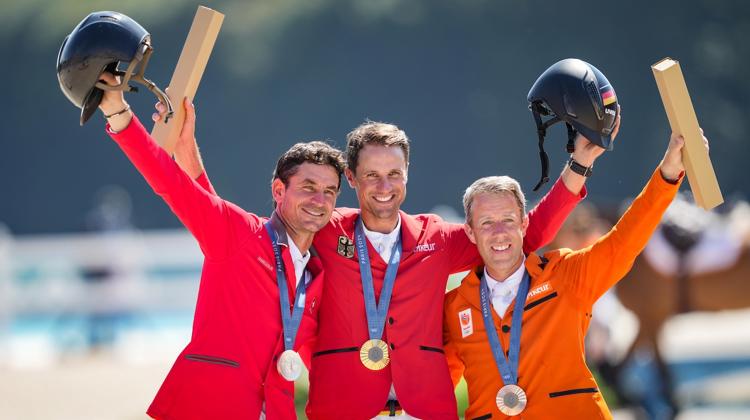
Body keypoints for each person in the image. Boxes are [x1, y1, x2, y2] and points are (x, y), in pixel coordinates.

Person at [165, 109, 605, 418]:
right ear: (351, 179)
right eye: (372, 175)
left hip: (425, 409)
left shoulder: (437, 237)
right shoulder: (322, 226)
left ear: (407, 176)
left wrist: (579, 165)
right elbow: (242, 232)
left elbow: (526, 236)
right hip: (343, 409)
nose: (384, 186)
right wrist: (187, 154)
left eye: (394, 174)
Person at [97, 72, 346, 419]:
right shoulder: (240, 233)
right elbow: (170, 184)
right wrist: (118, 112)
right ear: (278, 191)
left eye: (329, 191)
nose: (319, 200)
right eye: (307, 186)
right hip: (206, 408)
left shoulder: (316, 275)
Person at [442, 129, 704, 419]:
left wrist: (667, 176)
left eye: (508, 219)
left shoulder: (565, 275)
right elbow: (436, 382)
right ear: (469, 231)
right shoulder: (454, 306)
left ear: (524, 224)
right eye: (487, 223)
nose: (499, 232)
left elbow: (624, 241)